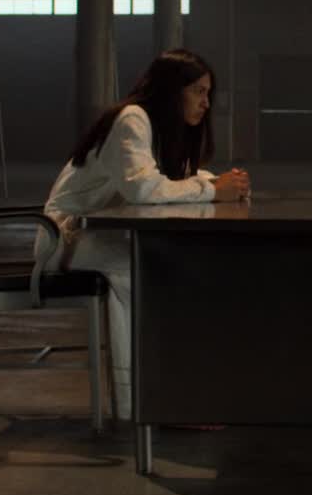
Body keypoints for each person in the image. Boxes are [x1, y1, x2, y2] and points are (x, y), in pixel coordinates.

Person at [36, 50, 250, 416]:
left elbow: (169, 178)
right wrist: (214, 190)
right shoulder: (133, 118)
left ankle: (168, 388)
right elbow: (143, 188)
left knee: (174, 265)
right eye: (198, 91)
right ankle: (137, 402)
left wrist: (222, 183)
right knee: (141, 268)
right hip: (64, 238)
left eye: (208, 93)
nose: (206, 103)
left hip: (93, 235)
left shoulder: (158, 127)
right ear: (172, 90)